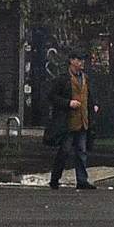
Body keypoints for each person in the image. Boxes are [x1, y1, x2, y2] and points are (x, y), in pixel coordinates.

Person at [43, 51, 94, 190]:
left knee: (81, 151)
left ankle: (82, 180)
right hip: (68, 122)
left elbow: (88, 96)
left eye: (82, 60)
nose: (81, 63)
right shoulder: (63, 79)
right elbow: (52, 96)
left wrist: (93, 106)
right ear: (71, 61)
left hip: (82, 120)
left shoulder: (85, 78)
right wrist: (68, 103)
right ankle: (55, 178)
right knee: (64, 151)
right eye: (79, 59)